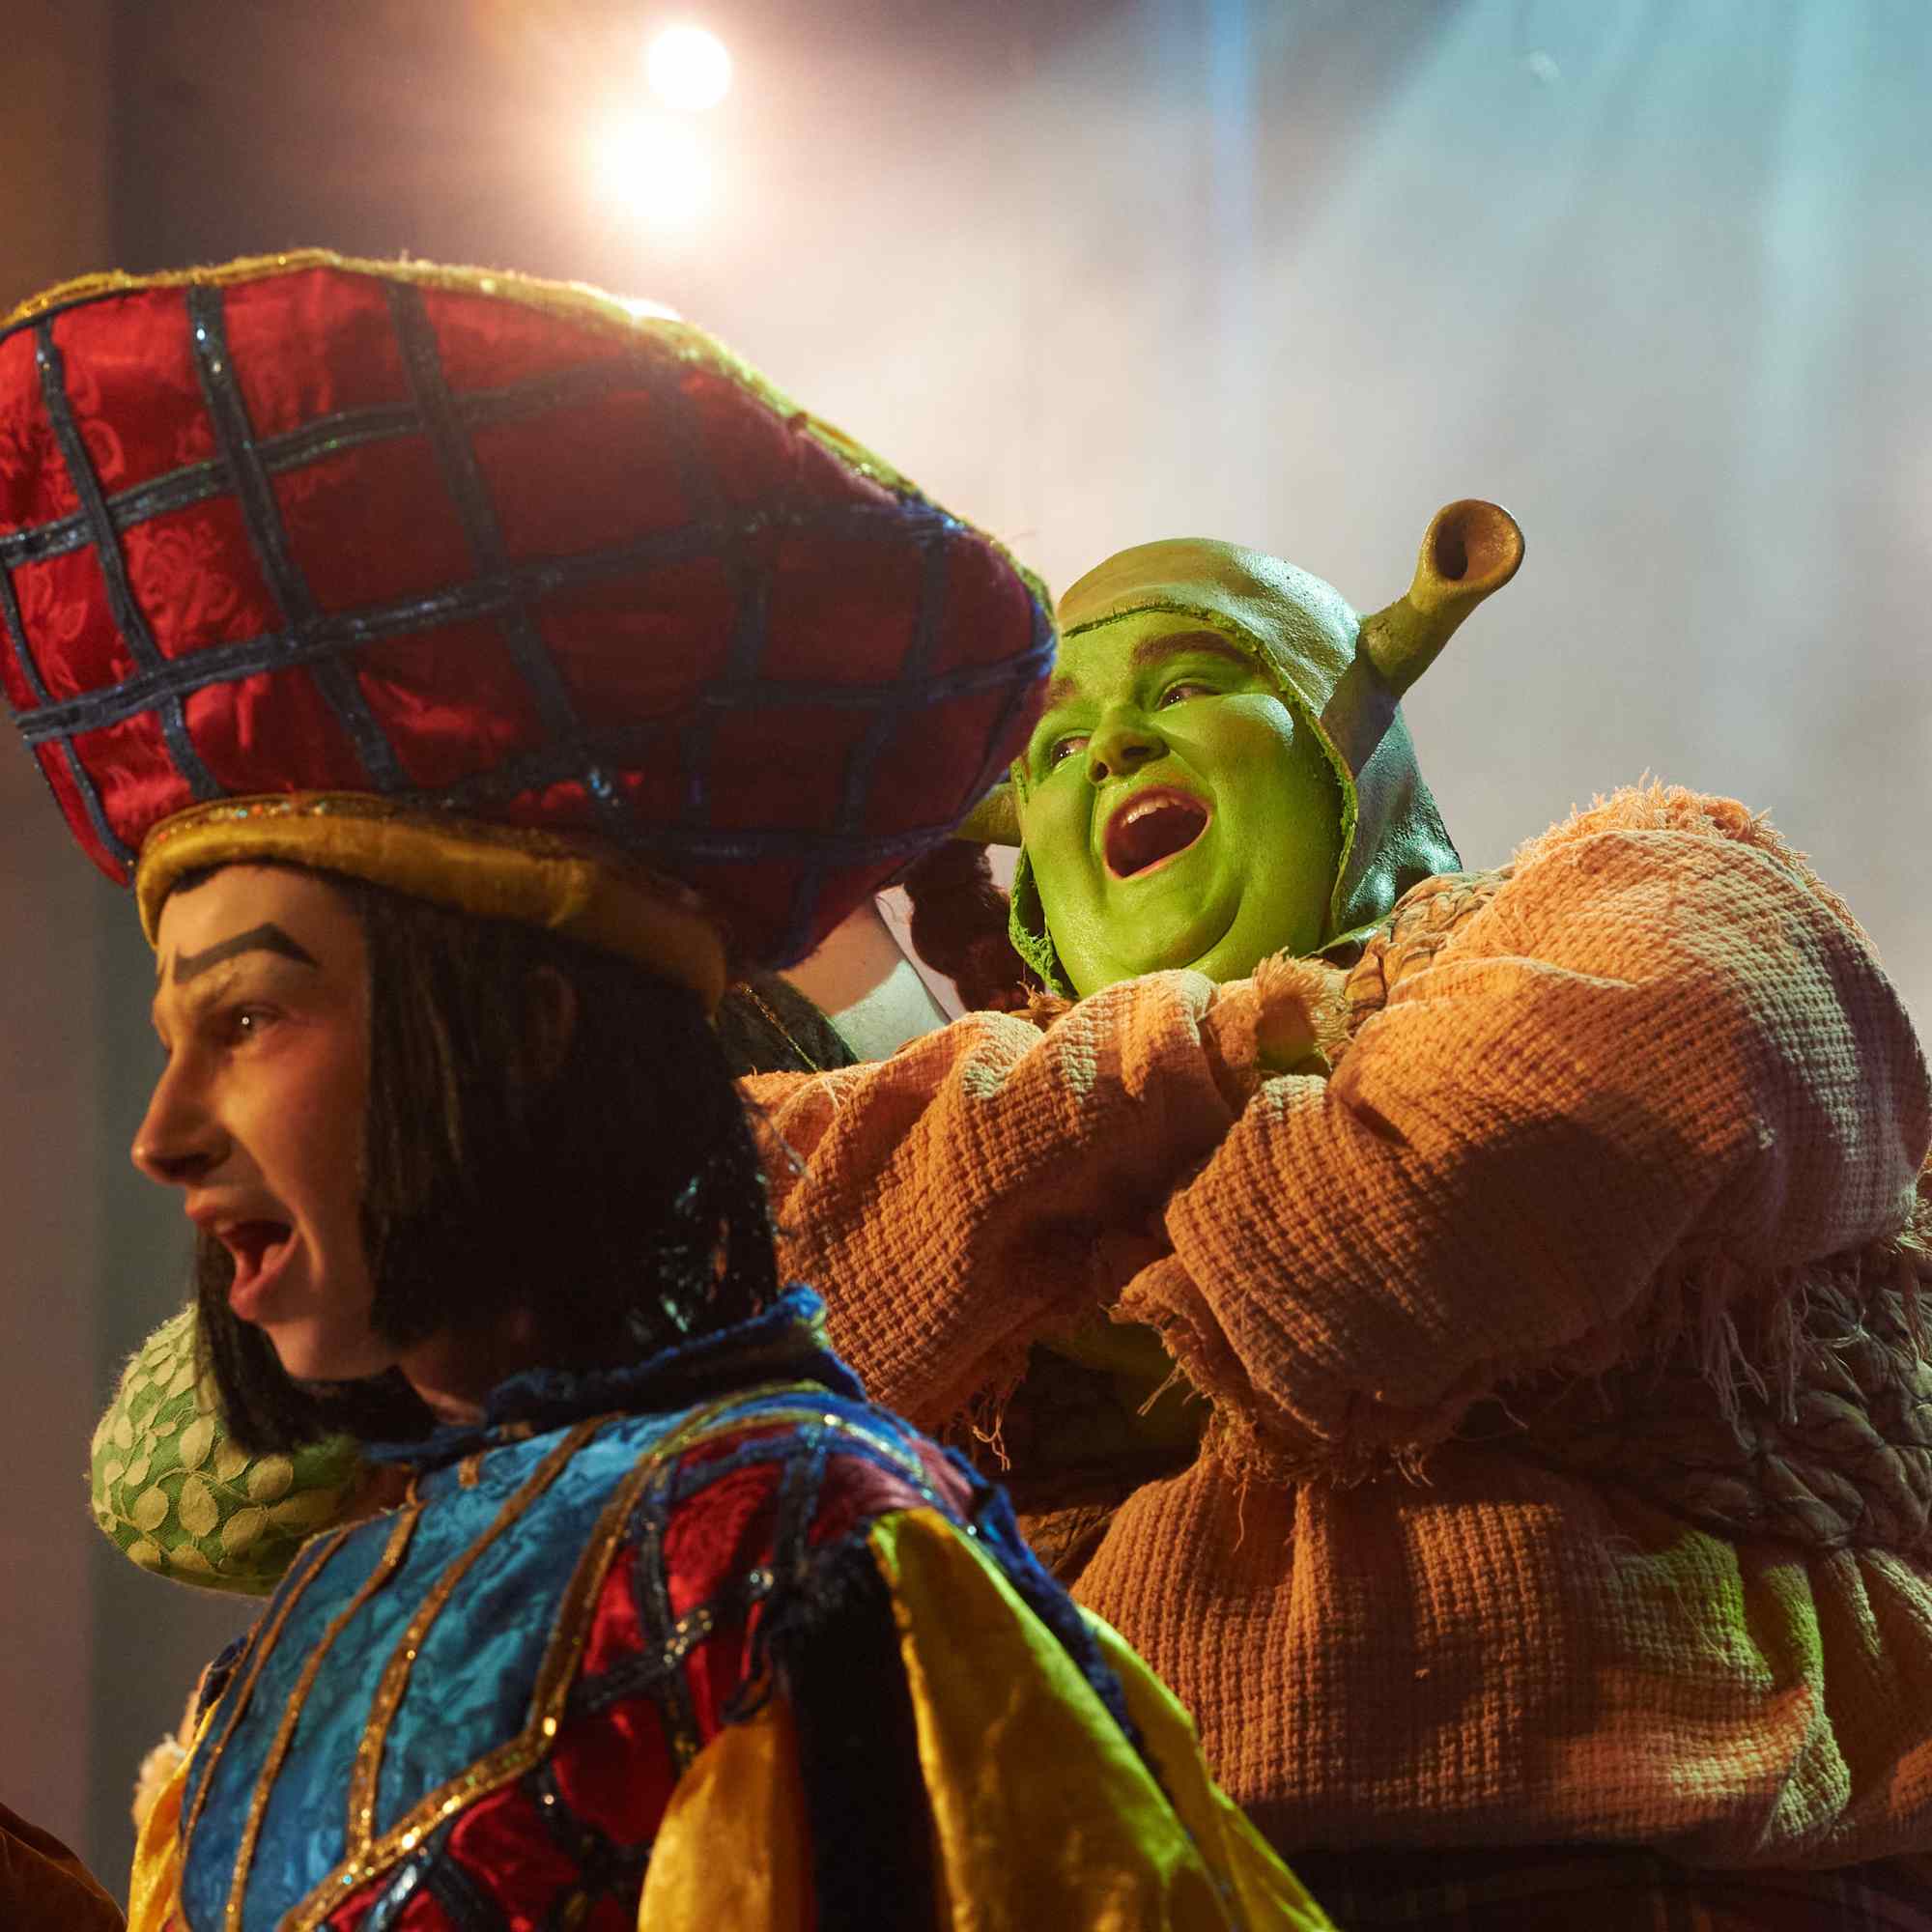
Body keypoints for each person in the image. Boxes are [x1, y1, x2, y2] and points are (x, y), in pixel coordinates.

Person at [1, 251, 1326, 1931]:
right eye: (174, 1036)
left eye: (249, 1018)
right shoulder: (289, 1652)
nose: (162, 1131)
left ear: (527, 1031)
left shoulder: (788, 1560)